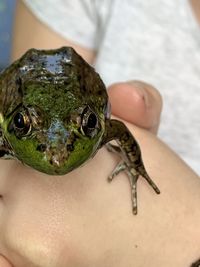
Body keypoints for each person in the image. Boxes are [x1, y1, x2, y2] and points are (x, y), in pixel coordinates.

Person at [0, 1, 200, 266]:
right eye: (23, 124)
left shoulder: (106, 129)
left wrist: (135, 166)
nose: (58, 156)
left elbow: (119, 129)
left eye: (87, 124)